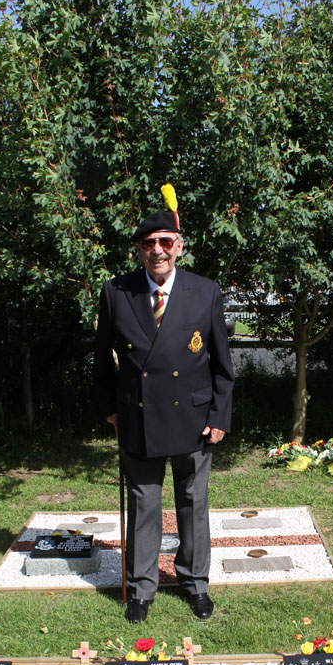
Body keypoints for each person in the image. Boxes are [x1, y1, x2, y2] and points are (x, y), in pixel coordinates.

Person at [93, 190, 234, 623]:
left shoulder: (205, 291)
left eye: (165, 242)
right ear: (139, 250)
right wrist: (111, 408)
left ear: (179, 245)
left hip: (194, 417)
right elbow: (101, 359)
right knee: (144, 505)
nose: (158, 250)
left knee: (193, 503)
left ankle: (196, 583)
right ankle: (141, 588)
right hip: (139, 416)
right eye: (149, 243)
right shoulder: (117, 292)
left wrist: (219, 416)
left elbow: (222, 363)